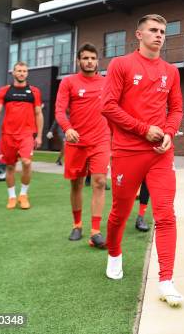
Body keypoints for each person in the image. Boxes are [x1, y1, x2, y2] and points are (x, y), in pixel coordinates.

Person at [102, 14, 184, 306]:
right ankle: (114, 254)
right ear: (139, 34)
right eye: (153, 30)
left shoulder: (170, 71)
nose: (159, 35)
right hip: (126, 152)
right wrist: (143, 129)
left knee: (165, 215)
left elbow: (176, 109)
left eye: (163, 31)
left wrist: (169, 133)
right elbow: (108, 106)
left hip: (160, 154)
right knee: (120, 212)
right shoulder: (121, 65)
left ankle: (166, 279)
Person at [55, 43, 110, 249]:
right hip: (76, 142)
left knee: (99, 182)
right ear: (79, 60)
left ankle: (95, 231)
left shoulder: (107, 83)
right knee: (76, 184)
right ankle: (77, 225)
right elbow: (60, 111)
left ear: (97, 61)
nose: (89, 61)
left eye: (93, 58)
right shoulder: (68, 82)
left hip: (101, 141)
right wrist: (67, 128)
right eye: (85, 58)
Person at [0, 61, 43, 210]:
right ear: (13, 73)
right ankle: (12, 196)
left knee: (27, 162)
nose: (21, 73)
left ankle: (23, 194)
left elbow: (38, 114)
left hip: (26, 134)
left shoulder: (34, 92)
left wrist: (39, 135)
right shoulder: (4, 91)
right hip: (8, 135)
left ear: (27, 73)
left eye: (24, 71)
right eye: (19, 71)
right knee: (10, 166)